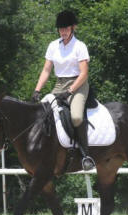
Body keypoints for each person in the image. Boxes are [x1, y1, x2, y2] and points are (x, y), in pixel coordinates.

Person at [31, 10, 95, 171]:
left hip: (78, 84)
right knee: (43, 114)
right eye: (61, 29)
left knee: (76, 117)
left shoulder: (80, 46)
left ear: (72, 28)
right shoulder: (53, 46)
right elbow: (46, 70)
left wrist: (71, 91)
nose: (63, 32)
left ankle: (85, 155)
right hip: (59, 84)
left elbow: (84, 73)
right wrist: (37, 90)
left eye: (66, 29)